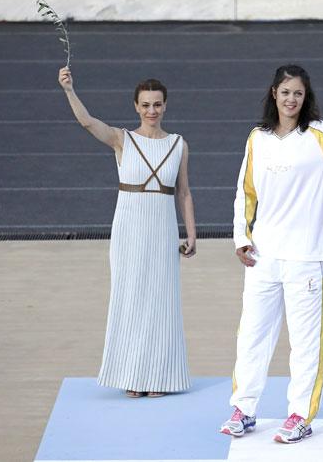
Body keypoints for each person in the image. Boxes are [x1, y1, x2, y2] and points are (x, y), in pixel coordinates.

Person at [220, 64, 323, 443]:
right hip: (263, 257)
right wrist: (240, 238)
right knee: (252, 336)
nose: (291, 99)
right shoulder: (257, 138)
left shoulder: (320, 135)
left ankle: (299, 415)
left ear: (305, 97)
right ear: (274, 94)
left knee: (306, 342)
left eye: (298, 93)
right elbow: (245, 192)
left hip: (306, 259)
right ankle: (243, 409)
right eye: (285, 92)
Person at [58, 67, 196, 398]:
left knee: (161, 301)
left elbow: (184, 192)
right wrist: (69, 90)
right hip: (129, 229)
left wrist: (191, 234)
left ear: (165, 106)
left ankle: (160, 377)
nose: (152, 111)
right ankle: (132, 376)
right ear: (136, 106)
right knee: (130, 298)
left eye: (157, 104)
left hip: (162, 230)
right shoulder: (123, 139)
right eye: (146, 105)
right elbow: (88, 122)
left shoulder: (178, 145)